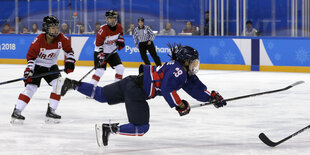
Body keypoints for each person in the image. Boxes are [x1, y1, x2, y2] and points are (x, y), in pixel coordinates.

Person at [56, 43, 227, 146]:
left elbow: (195, 88)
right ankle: (109, 129)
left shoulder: (180, 70)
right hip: (137, 91)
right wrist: (180, 105)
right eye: (194, 62)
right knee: (141, 127)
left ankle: (72, 84)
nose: (195, 65)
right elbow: (168, 89)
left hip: (132, 81)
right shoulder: (179, 71)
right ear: (186, 61)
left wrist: (211, 96)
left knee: (100, 94)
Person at [10, 15, 75, 124]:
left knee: (59, 85)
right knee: (31, 88)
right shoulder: (38, 40)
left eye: (56, 27)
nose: (55, 29)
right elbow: (31, 57)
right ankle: (17, 111)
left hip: (51, 67)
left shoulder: (62, 38)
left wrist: (70, 62)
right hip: (37, 67)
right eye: (52, 27)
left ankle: (51, 111)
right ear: (46, 28)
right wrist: (29, 70)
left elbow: (69, 51)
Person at [89, 10, 125, 88]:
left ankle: (117, 88)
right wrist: (101, 55)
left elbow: (120, 36)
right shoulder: (103, 30)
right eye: (110, 18)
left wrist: (120, 41)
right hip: (100, 51)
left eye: (113, 18)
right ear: (107, 19)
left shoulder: (119, 27)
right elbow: (98, 44)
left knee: (120, 68)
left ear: (116, 19)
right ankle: (90, 88)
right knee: (100, 71)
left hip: (112, 52)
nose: (112, 19)